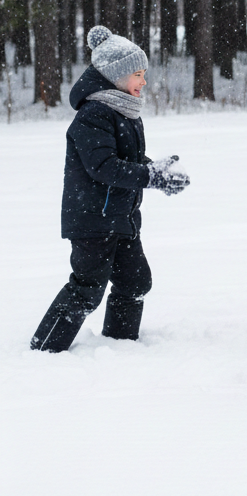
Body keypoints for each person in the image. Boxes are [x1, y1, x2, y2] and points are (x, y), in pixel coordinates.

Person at [30, 26, 190, 353]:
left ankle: (120, 346)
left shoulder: (125, 112)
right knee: (87, 289)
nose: (143, 81)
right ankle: (43, 350)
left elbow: (125, 160)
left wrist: (153, 168)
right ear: (115, 75)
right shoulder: (94, 114)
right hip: (92, 221)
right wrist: (149, 177)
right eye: (137, 73)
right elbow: (103, 167)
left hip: (122, 218)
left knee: (135, 282)